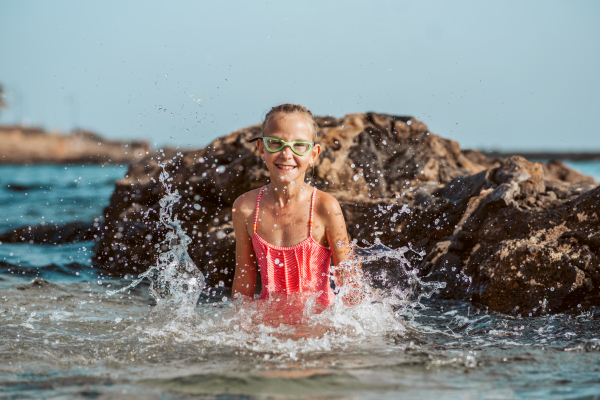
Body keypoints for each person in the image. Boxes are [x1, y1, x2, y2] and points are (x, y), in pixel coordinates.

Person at [231, 104, 360, 310]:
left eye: (299, 145)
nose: (286, 153)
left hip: (318, 327)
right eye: (275, 143)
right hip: (268, 325)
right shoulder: (246, 208)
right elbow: (244, 279)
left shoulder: (324, 207)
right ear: (261, 149)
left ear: (313, 155)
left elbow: (349, 279)